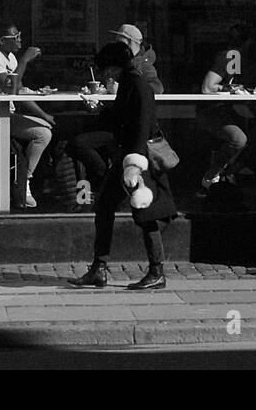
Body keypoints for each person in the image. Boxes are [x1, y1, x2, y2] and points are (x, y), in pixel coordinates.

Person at [68, 41, 177, 291]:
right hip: (129, 156)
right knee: (106, 204)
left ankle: (156, 271)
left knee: (146, 213)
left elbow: (140, 126)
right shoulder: (130, 82)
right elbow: (121, 120)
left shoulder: (137, 85)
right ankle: (99, 268)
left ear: (114, 66)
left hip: (137, 159)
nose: (106, 73)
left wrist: (135, 166)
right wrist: (100, 108)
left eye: (107, 68)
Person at [69, 24, 163, 200]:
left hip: (128, 135)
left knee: (78, 143)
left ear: (130, 42)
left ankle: (104, 179)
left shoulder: (139, 73)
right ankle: (102, 183)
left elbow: (154, 93)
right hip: (118, 126)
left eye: (119, 40)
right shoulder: (127, 75)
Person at [0, 21, 55, 208]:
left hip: (5, 114)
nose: (20, 40)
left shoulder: (10, 57)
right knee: (42, 134)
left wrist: (44, 115)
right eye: (16, 37)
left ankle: (22, 179)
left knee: (46, 128)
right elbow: (10, 88)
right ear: (2, 40)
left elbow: (18, 90)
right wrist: (25, 61)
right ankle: (24, 182)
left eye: (20, 35)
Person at [198, 26, 256, 190]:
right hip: (212, 110)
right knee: (239, 139)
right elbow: (208, 88)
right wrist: (229, 89)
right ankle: (211, 176)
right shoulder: (231, 56)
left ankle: (227, 173)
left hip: (229, 111)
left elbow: (243, 91)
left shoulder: (248, 61)